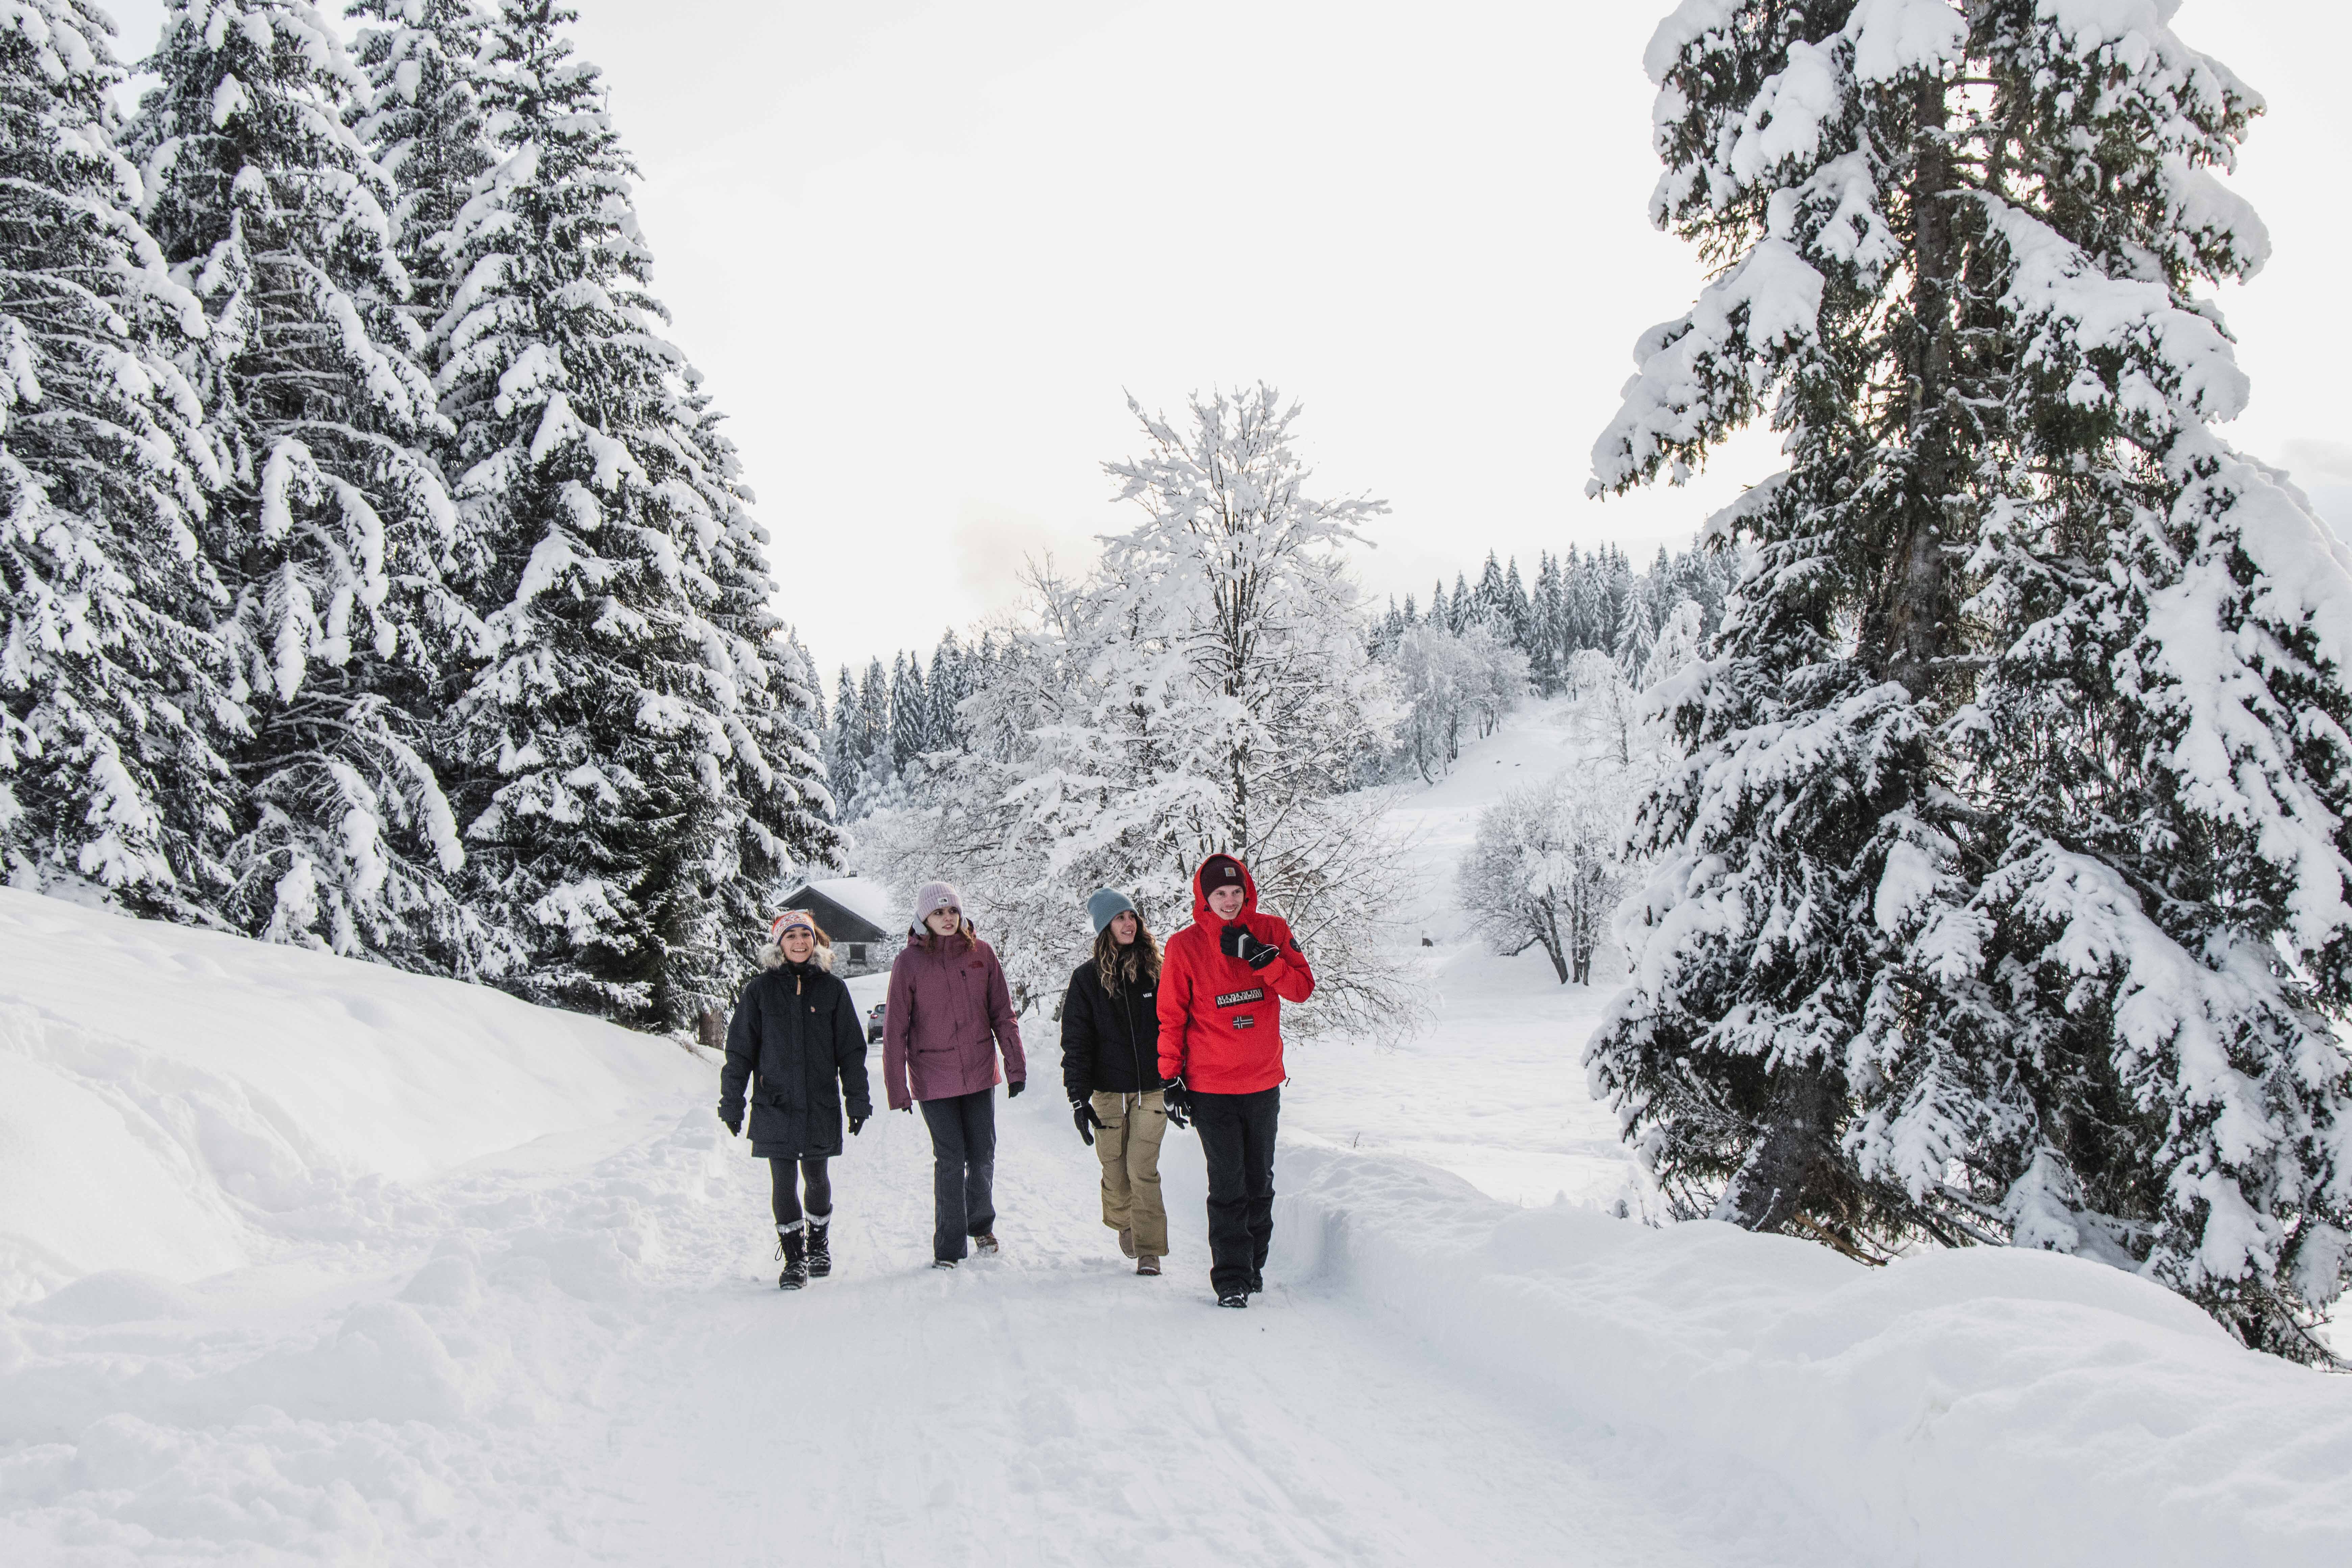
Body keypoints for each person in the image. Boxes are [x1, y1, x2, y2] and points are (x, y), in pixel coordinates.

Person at [1157, 853, 1314, 1308]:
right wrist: (1170, 1078)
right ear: (1204, 898)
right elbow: (1171, 1017)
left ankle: (1254, 1267)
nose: (1228, 901)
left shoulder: (1273, 931)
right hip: (1210, 1086)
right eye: (1219, 894)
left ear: (1247, 892)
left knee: (1259, 1182)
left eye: (1235, 892)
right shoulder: (1184, 947)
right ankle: (1230, 1279)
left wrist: (1264, 960)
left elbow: (1302, 989)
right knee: (1228, 1183)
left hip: (1262, 1081)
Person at [718, 911, 872, 1290]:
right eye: (792, 936)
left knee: (817, 1177)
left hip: (819, 1102)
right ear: (779, 944)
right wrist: (732, 1101)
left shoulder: (833, 990)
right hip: (775, 1102)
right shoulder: (759, 991)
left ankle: (818, 1244)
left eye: (806, 934)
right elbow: (740, 1051)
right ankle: (794, 1258)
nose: (800, 941)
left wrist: (858, 1099)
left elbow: (851, 1052)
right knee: (783, 1181)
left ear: (815, 941)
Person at [883, 882, 1026, 1268]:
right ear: (924, 919)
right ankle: (948, 1246)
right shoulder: (908, 963)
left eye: (952, 911)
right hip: (934, 1077)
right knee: (950, 1158)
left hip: (980, 1071)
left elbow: (1003, 1013)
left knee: (982, 1155)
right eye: (938, 913)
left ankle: (981, 1224)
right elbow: (895, 1029)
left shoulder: (982, 954)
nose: (947, 918)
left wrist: (1015, 1067)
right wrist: (898, 1089)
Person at [1059, 888, 1171, 1276]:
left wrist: (1178, 1077)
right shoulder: (1087, 980)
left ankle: (1149, 1250)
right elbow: (1076, 1042)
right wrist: (1078, 1097)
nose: (1128, 923)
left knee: (1143, 1167)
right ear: (1105, 927)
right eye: (1120, 917)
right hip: (1107, 1092)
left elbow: (1176, 1026)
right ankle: (1125, 1221)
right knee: (1115, 1168)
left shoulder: (1158, 970)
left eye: (1132, 916)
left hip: (1152, 1088)